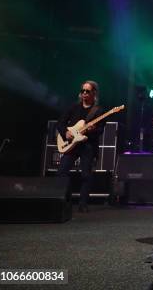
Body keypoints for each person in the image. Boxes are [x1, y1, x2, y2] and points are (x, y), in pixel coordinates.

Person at [56, 80, 106, 213]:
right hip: (71, 144)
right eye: (82, 91)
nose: (84, 93)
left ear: (94, 93)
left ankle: (83, 204)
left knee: (86, 175)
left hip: (87, 145)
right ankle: (65, 200)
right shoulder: (73, 107)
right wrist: (65, 133)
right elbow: (60, 122)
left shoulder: (98, 110)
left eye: (87, 91)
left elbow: (100, 130)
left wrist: (91, 129)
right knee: (61, 172)